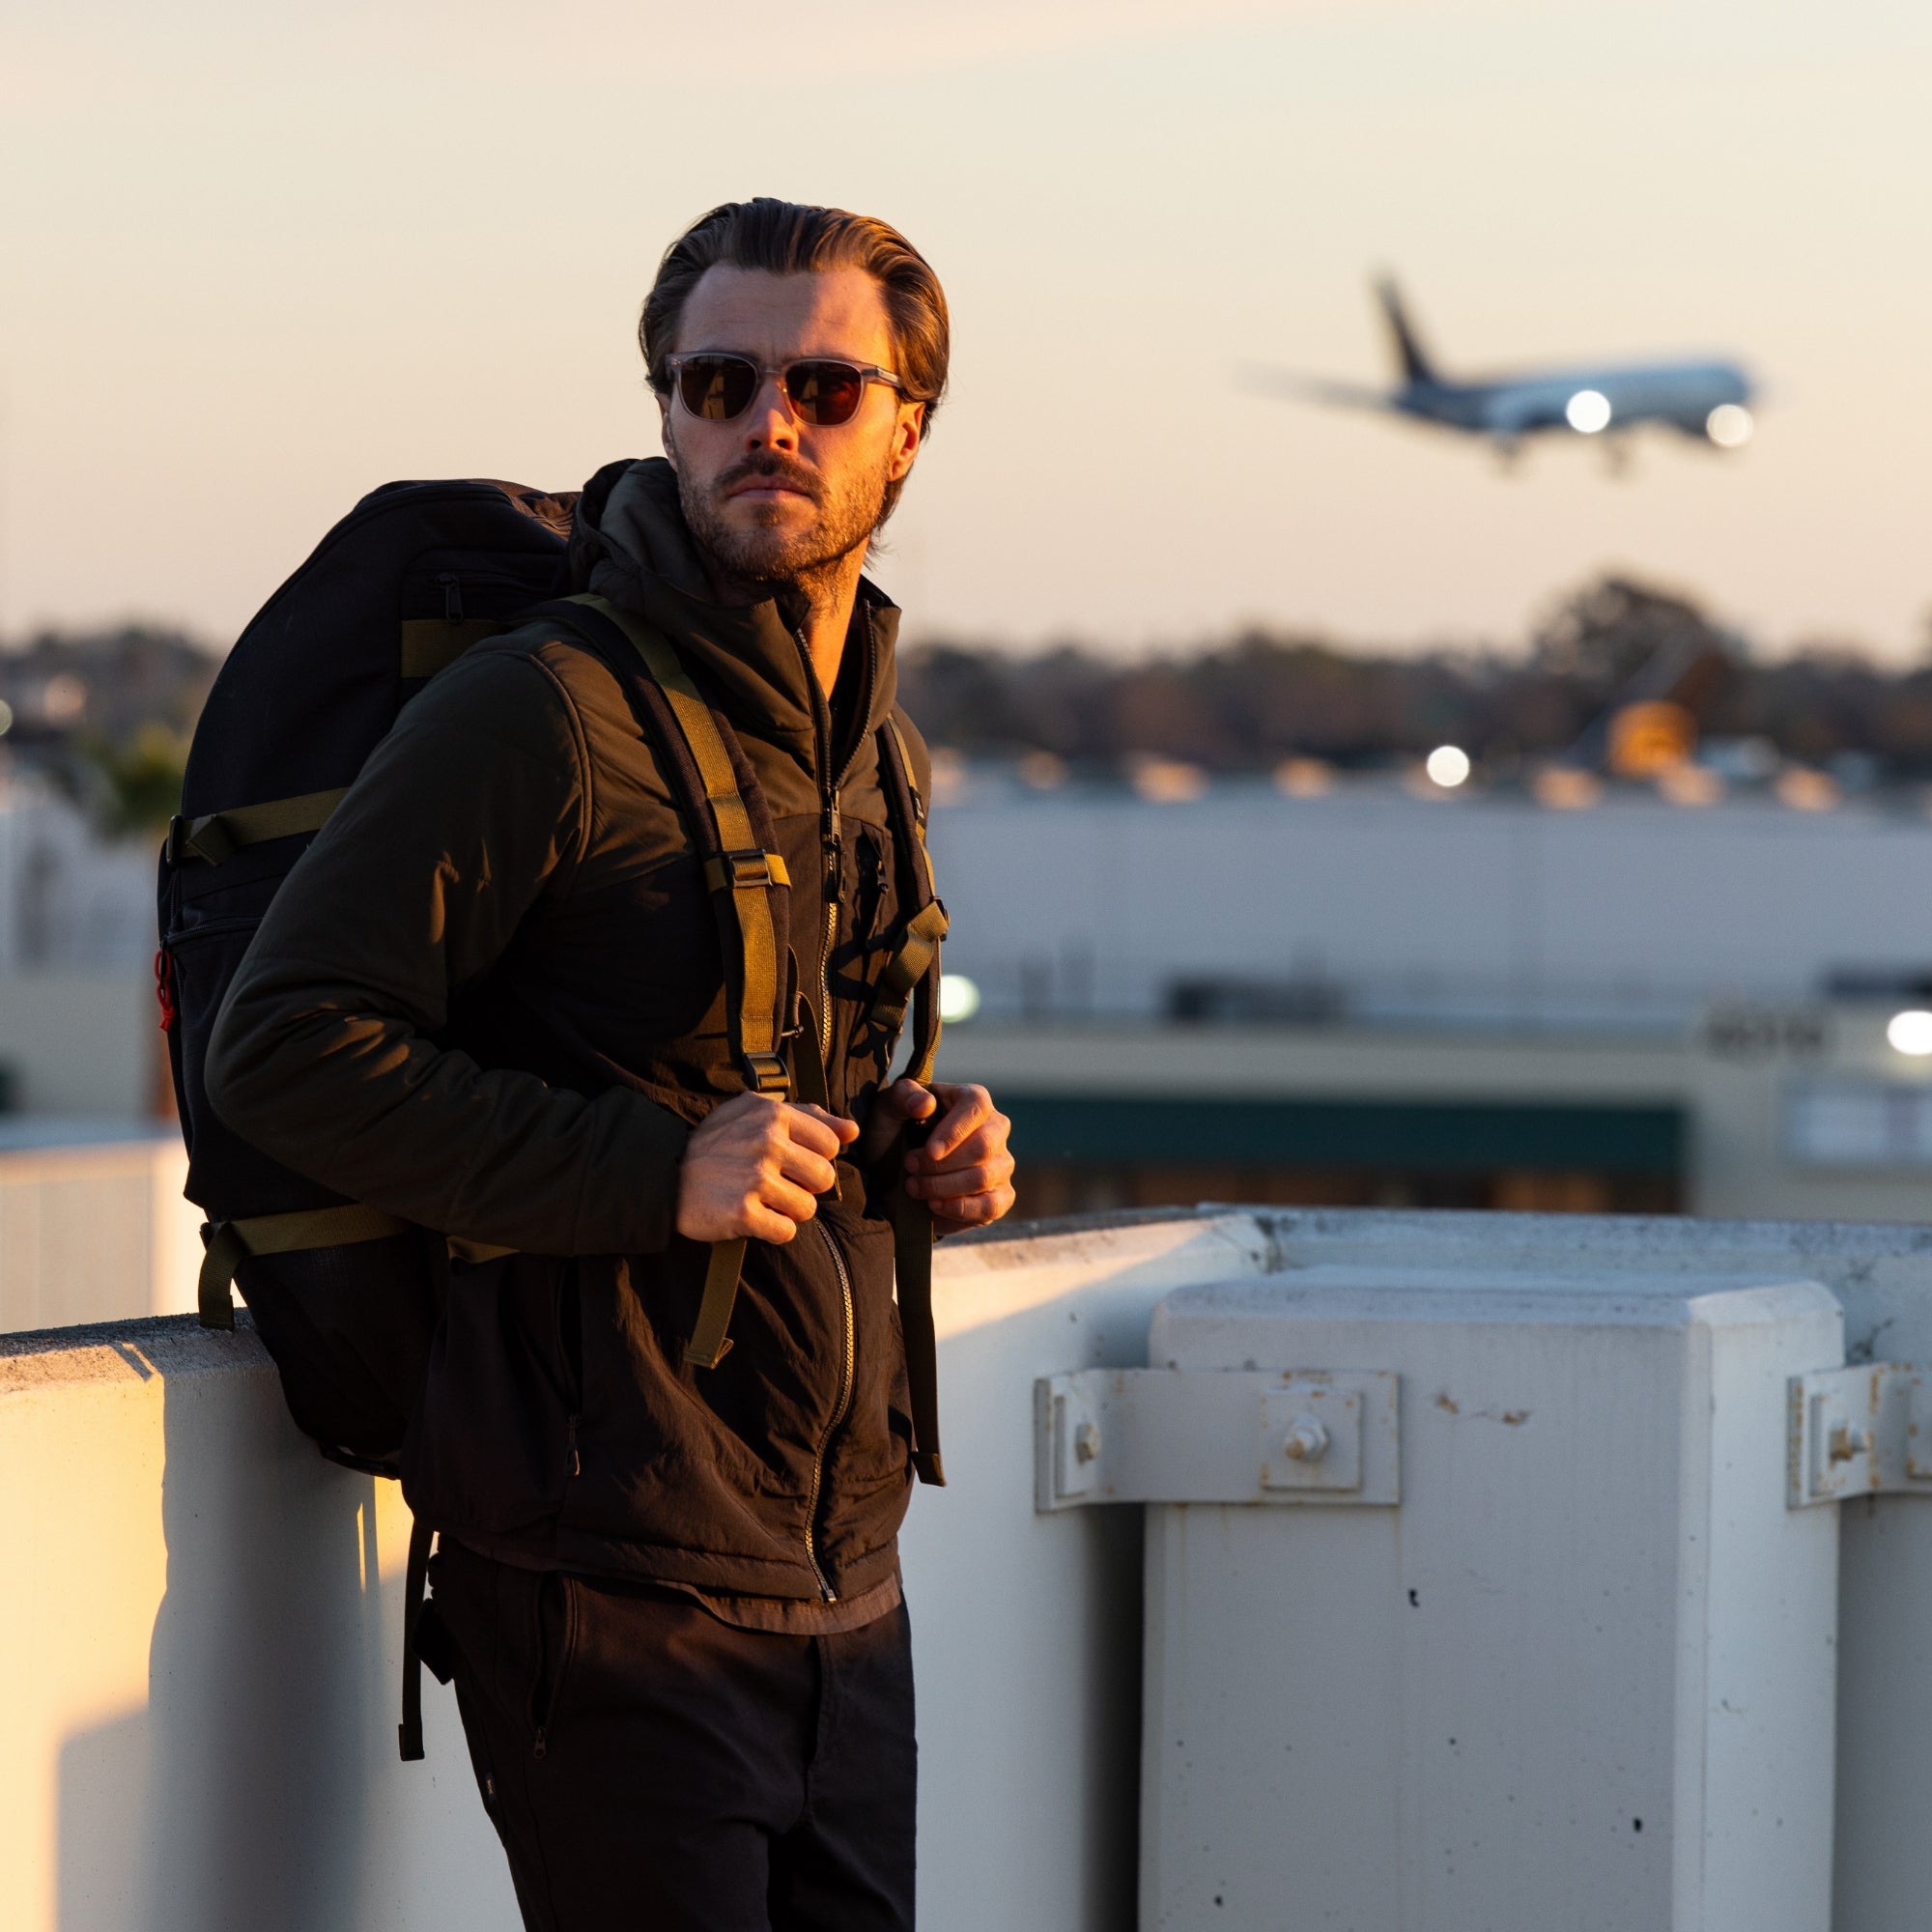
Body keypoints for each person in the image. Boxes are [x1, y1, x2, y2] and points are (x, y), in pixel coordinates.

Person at [206, 196, 1016, 1932]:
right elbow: (280, 1047)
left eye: (823, 384)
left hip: (838, 1561)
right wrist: (655, 1174)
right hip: (602, 1553)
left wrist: (913, 1141)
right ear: (664, 405)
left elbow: (751, 1079)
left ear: (910, 430)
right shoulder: (542, 711)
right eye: (718, 379)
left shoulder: (877, 745)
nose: (766, 422)